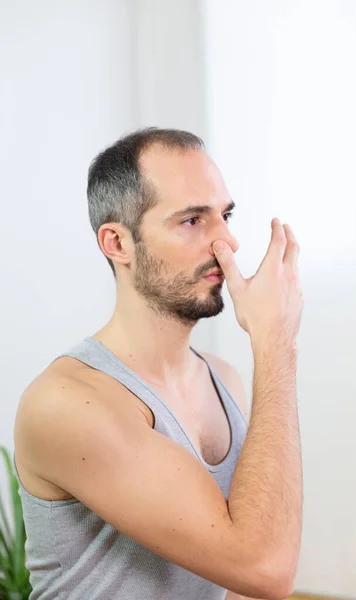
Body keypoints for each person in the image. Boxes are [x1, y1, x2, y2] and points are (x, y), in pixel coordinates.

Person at [13, 127, 304, 600]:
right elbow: (265, 569)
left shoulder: (223, 380)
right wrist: (275, 342)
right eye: (192, 220)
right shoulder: (66, 404)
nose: (226, 241)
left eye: (224, 215)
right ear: (117, 243)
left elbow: (235, 578)